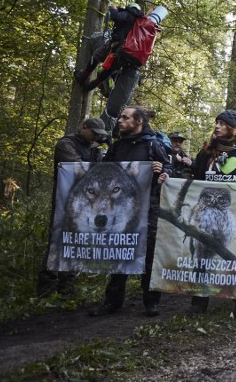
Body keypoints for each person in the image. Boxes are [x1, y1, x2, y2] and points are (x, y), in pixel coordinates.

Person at [89, 106, 172, 318]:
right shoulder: (118, 146)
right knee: (120, 250)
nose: (120, 120)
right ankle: (112, 302)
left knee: (149, 253)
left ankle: (151, 302)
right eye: (120, 117)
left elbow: (170, 168)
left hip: (149, 205)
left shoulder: (153, 145)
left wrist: (162, 172)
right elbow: (104, 171)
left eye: (125, 117)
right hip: (120, 208)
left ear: (138, 122)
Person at [189, 110, 236, 319]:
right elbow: (196, 178)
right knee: (202, 257)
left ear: (233, 127)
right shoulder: (207, 151)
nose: (217, 126)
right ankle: (199, 300)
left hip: (235, 212)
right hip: (205, 214)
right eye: (217, 122)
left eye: (222, 123)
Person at [37, 117, 108, 297]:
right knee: (57, 239)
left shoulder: (94, 149)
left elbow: (101, 171)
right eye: (94, 133)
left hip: (85, 202)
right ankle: (46, 288)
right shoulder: (66, 143)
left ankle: (66, 287)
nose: (95, 138)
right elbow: (77, 167)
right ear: (84, 127)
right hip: (64, 199)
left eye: (98, 135)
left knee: (75, 241)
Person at [74, 3, 144, 92]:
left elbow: (116, 16)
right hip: (127, 54)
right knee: (108, 71)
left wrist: (113, 8)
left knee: (96, 56)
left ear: (131, 8)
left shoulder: (129, 14)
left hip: (116, 46)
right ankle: (89, 87)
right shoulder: (139, 22)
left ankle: (82, 76)